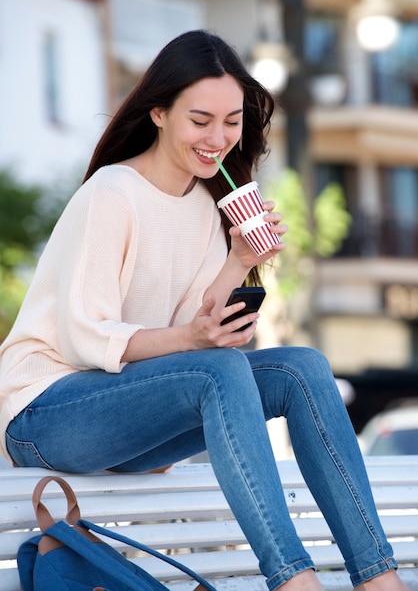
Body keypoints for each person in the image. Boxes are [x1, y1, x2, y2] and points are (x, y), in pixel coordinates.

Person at [0, 30, 410, 591]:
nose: (218, 138)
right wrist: (196, 341)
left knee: (303, 368)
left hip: (129, 421)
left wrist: (241, 259)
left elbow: (198, 329)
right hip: (45, 413)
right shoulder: (112, 194)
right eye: (200, 120)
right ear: (159, 113)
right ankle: (294, 581)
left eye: (232, 121)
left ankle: (379, 578)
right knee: (219, 369)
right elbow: (84, 339)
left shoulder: (205, 203)